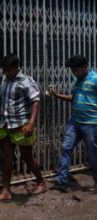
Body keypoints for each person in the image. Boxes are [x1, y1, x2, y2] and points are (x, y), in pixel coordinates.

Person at [0, 54, 46, 203]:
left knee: (27, 157)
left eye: (8, 70)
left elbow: (35, 101)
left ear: (16, 68)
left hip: (21, 125)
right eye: (4, 70)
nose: (6, 73)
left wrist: (31, 123)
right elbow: (8, 103)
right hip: (5, 124)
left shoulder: (26, 81)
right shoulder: (5, 80)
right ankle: (6, 191)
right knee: (6, 158)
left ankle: (41, 182)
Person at [49, 55, 97, 192]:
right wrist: (57, 95)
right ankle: (61, 180)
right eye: (72, 70)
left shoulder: (95, 79)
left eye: (76, 70)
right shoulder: (77, 81)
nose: (74, 73)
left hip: (91, 124)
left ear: (84, 67)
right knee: (66, 147)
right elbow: (74, 98)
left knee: (93, 154)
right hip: (75, 122)